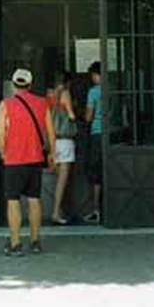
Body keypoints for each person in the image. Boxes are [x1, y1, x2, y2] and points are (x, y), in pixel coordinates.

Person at [0, 68, 55, 256]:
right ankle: (35, 241)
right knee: (34, 200)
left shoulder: (6, 104)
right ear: (30, 85)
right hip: (35, 159)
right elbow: (50, 132)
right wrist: (52, 153)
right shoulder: (42, 103)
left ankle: (15, 243)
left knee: (13, 201)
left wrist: (3, 153)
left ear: (13, 84)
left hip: (13, 160)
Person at [47, 71, 77, 225]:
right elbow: (71, 115)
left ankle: (59, 210)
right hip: (65, 140)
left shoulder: (50, 94)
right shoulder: (65, 93)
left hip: (53, 140)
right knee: (62, 181)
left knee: (57, 179)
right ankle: (56, 212)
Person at [82, 61, 103, 224]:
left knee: (95, 174)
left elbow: (89, 116)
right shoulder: (114, 90)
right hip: (114, 133)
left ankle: (96, 210)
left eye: (93, 75)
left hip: (96, 133)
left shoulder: (94, 92)